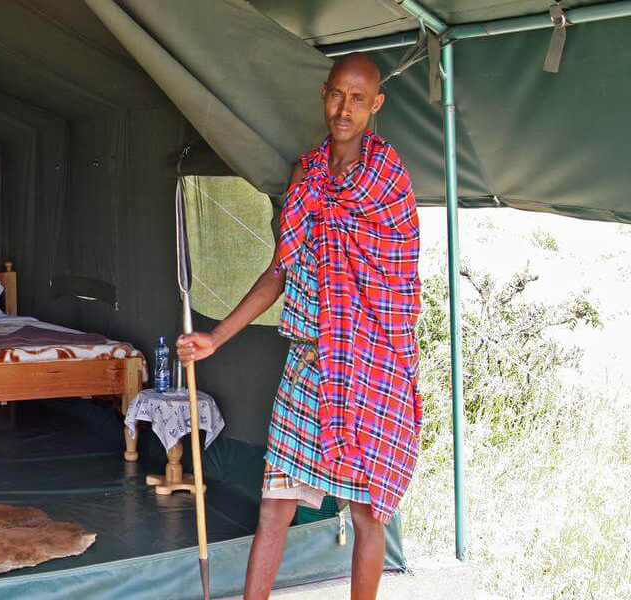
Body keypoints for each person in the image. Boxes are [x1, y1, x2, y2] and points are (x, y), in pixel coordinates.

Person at [177, 53, 421, 600]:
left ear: (376, 105)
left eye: (358, 99)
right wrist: (216, 337)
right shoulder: (307, 175)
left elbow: (398, 283)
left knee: (367, 514)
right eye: (337, 95)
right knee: (275, 505)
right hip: (308, 364)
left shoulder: (388, 181)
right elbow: (280, 270)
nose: (344, 109)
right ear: (323, 94)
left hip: (369, 368)